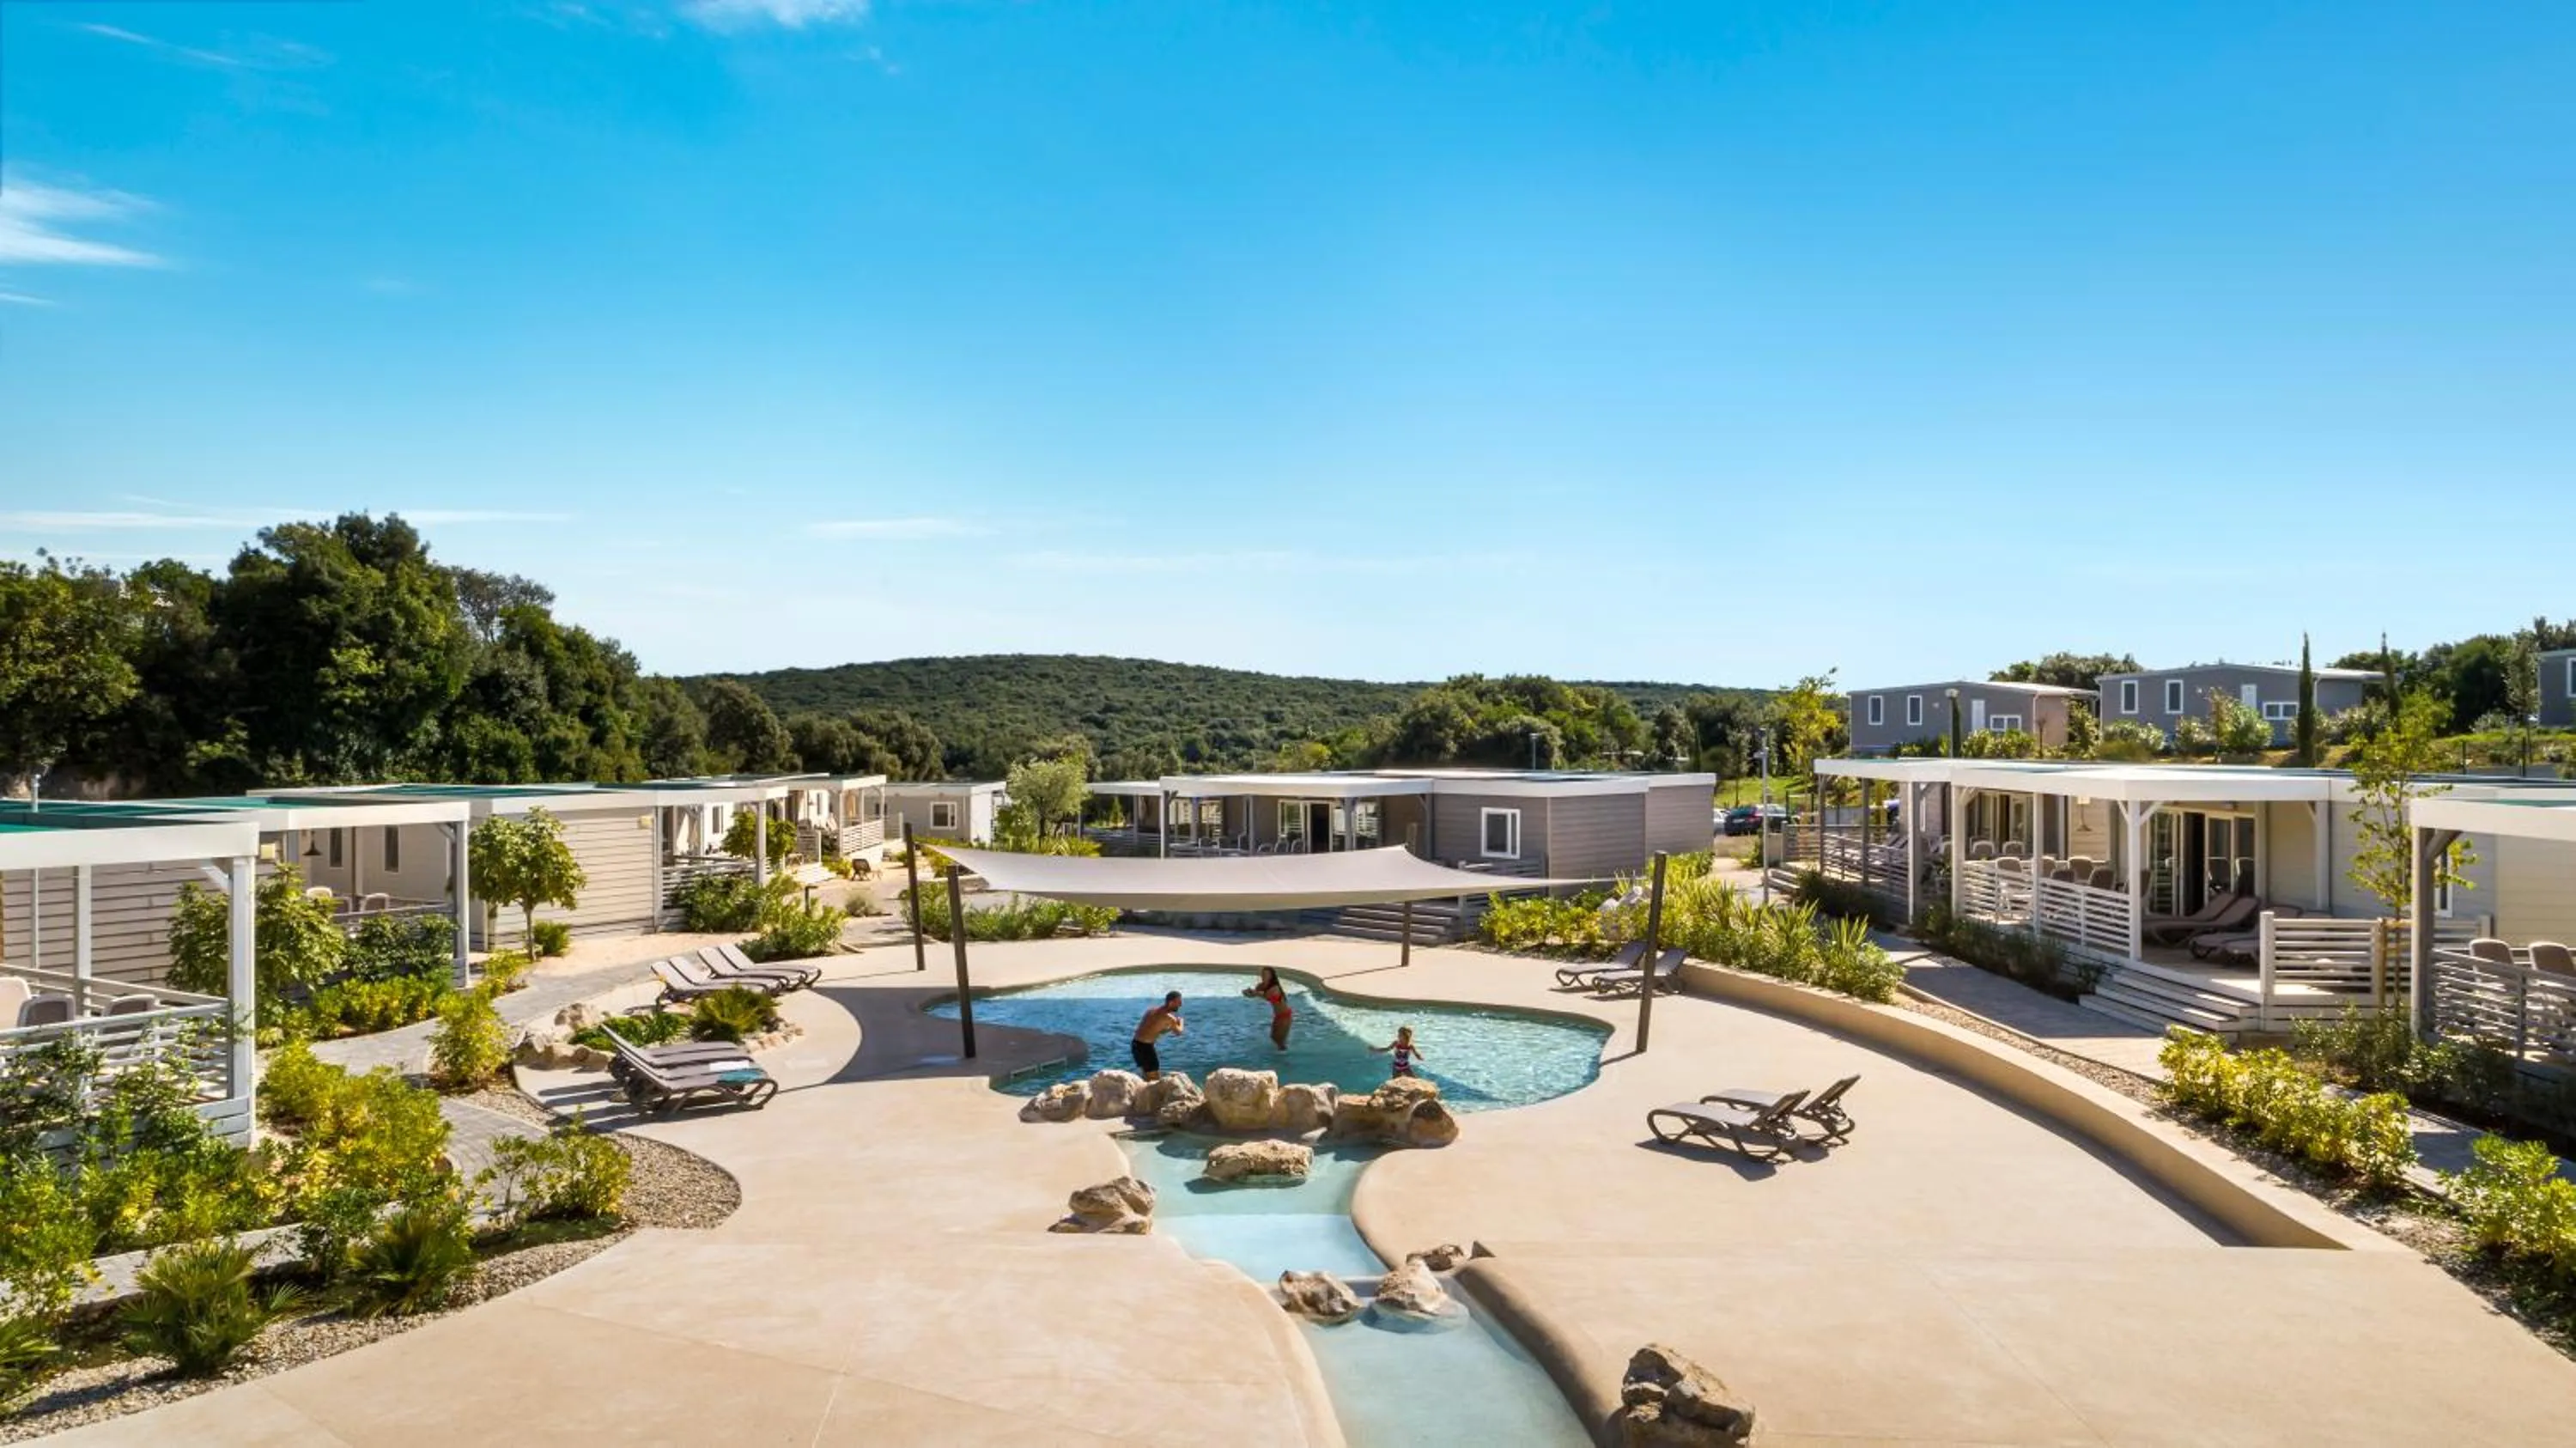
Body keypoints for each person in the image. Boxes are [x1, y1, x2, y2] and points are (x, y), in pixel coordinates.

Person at [1132, 991, 1185, 1080]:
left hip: (1136, 1045)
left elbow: (1153, 1030)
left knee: (1147, 1075)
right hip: (1145, 1048)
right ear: (1171, 1002)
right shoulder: (1169, 1018)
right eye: (1179, 1002)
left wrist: (1169, 1028)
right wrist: (1181, 1021)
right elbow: (1179, 1032)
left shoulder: (1151, 1011)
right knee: (1154, 1077)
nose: (1181, 1005)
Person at [1242, 967, 1293, 1049]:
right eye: (1263, 974)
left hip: (1285, 1016)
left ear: (1271, 976)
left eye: (1266, 974)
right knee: (1273, 1037)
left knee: (1280, 1041)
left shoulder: (1275, 987)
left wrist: (1256, 993)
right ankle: (1280, 1052)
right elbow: (1254, 994)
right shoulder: (1262, 986)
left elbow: (1267, 996)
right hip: (1278, 1016)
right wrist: (1248, 993)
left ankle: (1284, 1055)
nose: (1264, 976)